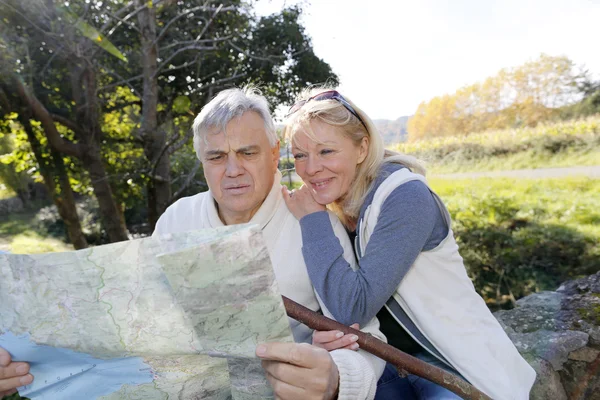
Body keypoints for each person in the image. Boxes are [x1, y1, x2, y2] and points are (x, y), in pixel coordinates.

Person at [0, 87, 386, 400]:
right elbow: (134, 320)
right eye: (216, 157)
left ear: (273, 155)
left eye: (247, 153)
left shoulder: (314, 225)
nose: (232, 170)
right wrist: (27, 359)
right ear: (202, 162)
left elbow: (369, 335)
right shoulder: (176, 219)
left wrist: (337, 380)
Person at [281, 87, 537, 400]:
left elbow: (351, 309)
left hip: (449, 368)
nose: (310, 168)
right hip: (383, 365)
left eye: (326, 151)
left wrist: (313, 222)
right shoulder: (334, 205)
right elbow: (334, 312)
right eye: (300, 155)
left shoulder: (404, 196)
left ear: (362, 148)